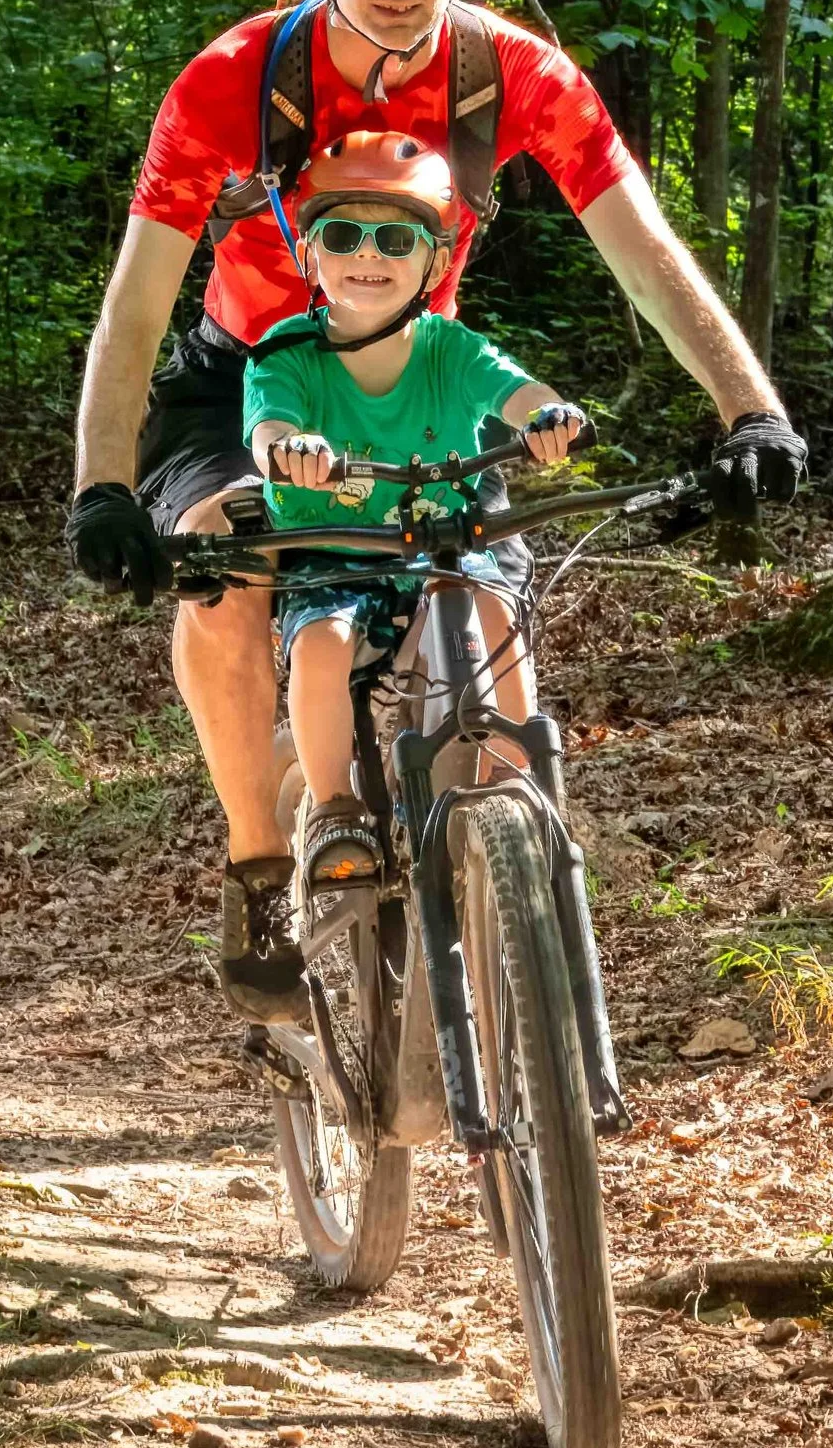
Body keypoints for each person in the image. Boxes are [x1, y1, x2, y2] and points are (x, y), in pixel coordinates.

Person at [66, 0, 806, 1017]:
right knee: (224, 566)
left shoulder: (514, 75)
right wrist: (101, 487)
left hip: (420, 381)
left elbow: (643, 250)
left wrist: (748, 409)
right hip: (249, 374)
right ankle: (260, 862)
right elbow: (136, 305)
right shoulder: (231, 82)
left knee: (480, 589)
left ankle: (506, 858)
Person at [244, 129, 582, 929]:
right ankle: (333, 809)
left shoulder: (449, 350)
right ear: (310, 255)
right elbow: (267, 428)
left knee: (496, 608)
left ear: (433, 261)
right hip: (338, 553)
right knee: (321, 642)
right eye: (344, 235)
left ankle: (521, 775)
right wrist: (289, 450)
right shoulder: (285, 354)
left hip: (444, 546)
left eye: (396, 238)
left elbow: (517, 390)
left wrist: (548, 417)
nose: (371, 255)